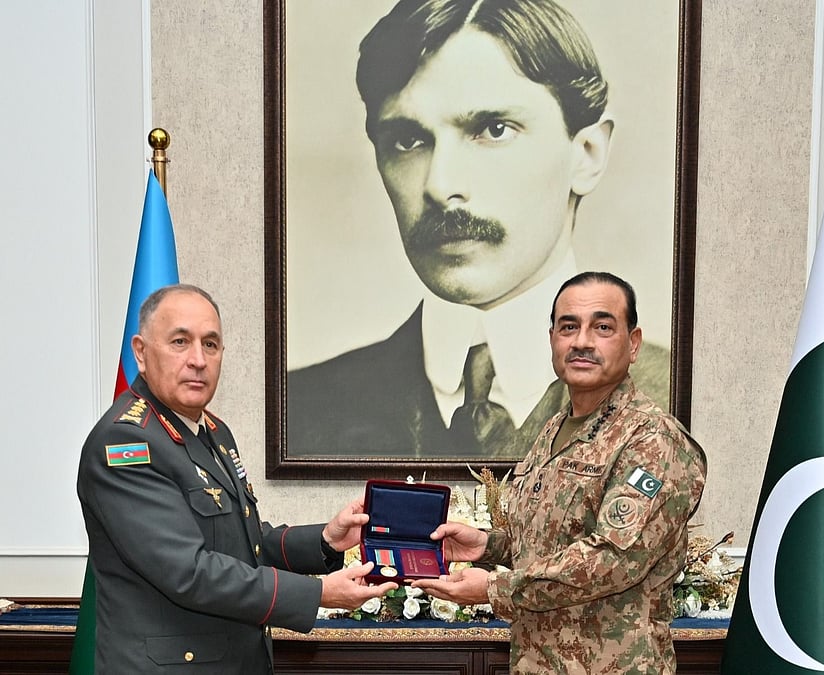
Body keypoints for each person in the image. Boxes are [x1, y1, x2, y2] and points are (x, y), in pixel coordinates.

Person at [287, 0, 670, 459]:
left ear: (586, 154)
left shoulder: (667, 401)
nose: (440, 185)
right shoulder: (306, 408)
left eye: (493, 129)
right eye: (408, 141)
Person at [77, 284, 397, 674]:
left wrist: (325, 540)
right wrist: (318, 595)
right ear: (141, 354)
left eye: (210, 345)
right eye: (180, 342)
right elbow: (189, 571)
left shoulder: (212, 432)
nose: (198, 359)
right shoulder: (127, 442)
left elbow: (245, 543)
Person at [412, 272, 706, 674]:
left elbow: (612, 560)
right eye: (569, 326)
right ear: (553, 338)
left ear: (633, 343)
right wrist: (486, 545)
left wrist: (493, 588)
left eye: (602, 327)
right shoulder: (553, 429)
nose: (582, 341)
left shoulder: (652, 440)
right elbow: (549, 541)